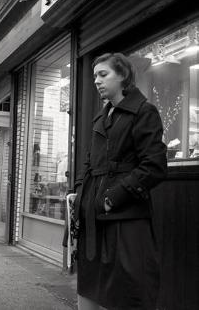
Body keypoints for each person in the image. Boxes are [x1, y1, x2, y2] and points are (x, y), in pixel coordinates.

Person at [71, 53, 167, 309]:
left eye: (104, 75)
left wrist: (113, 198)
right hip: (94, 221)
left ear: (123, 75)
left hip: (127, 220)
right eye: (94, 76)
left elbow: (154, 166)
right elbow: (88, 164)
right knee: (89, 292)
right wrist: (80, 193)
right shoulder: (100, 118)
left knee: (127, 294)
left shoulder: (144, 112)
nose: (96, 81)